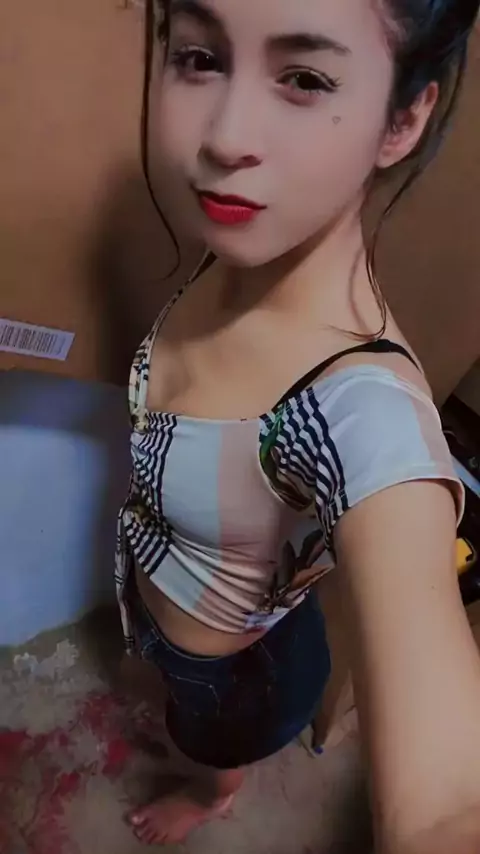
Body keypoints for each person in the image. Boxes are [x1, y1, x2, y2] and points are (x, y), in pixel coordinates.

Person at [115, 0, 480, 850]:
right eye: (200, 57)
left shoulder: (357, 408)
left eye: (306, 78)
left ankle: (213, 797)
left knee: (209, 745)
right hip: (165, 612)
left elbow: (445, 806)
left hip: (237, 675)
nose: (223, 136)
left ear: (403, 119)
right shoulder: (241, 242)